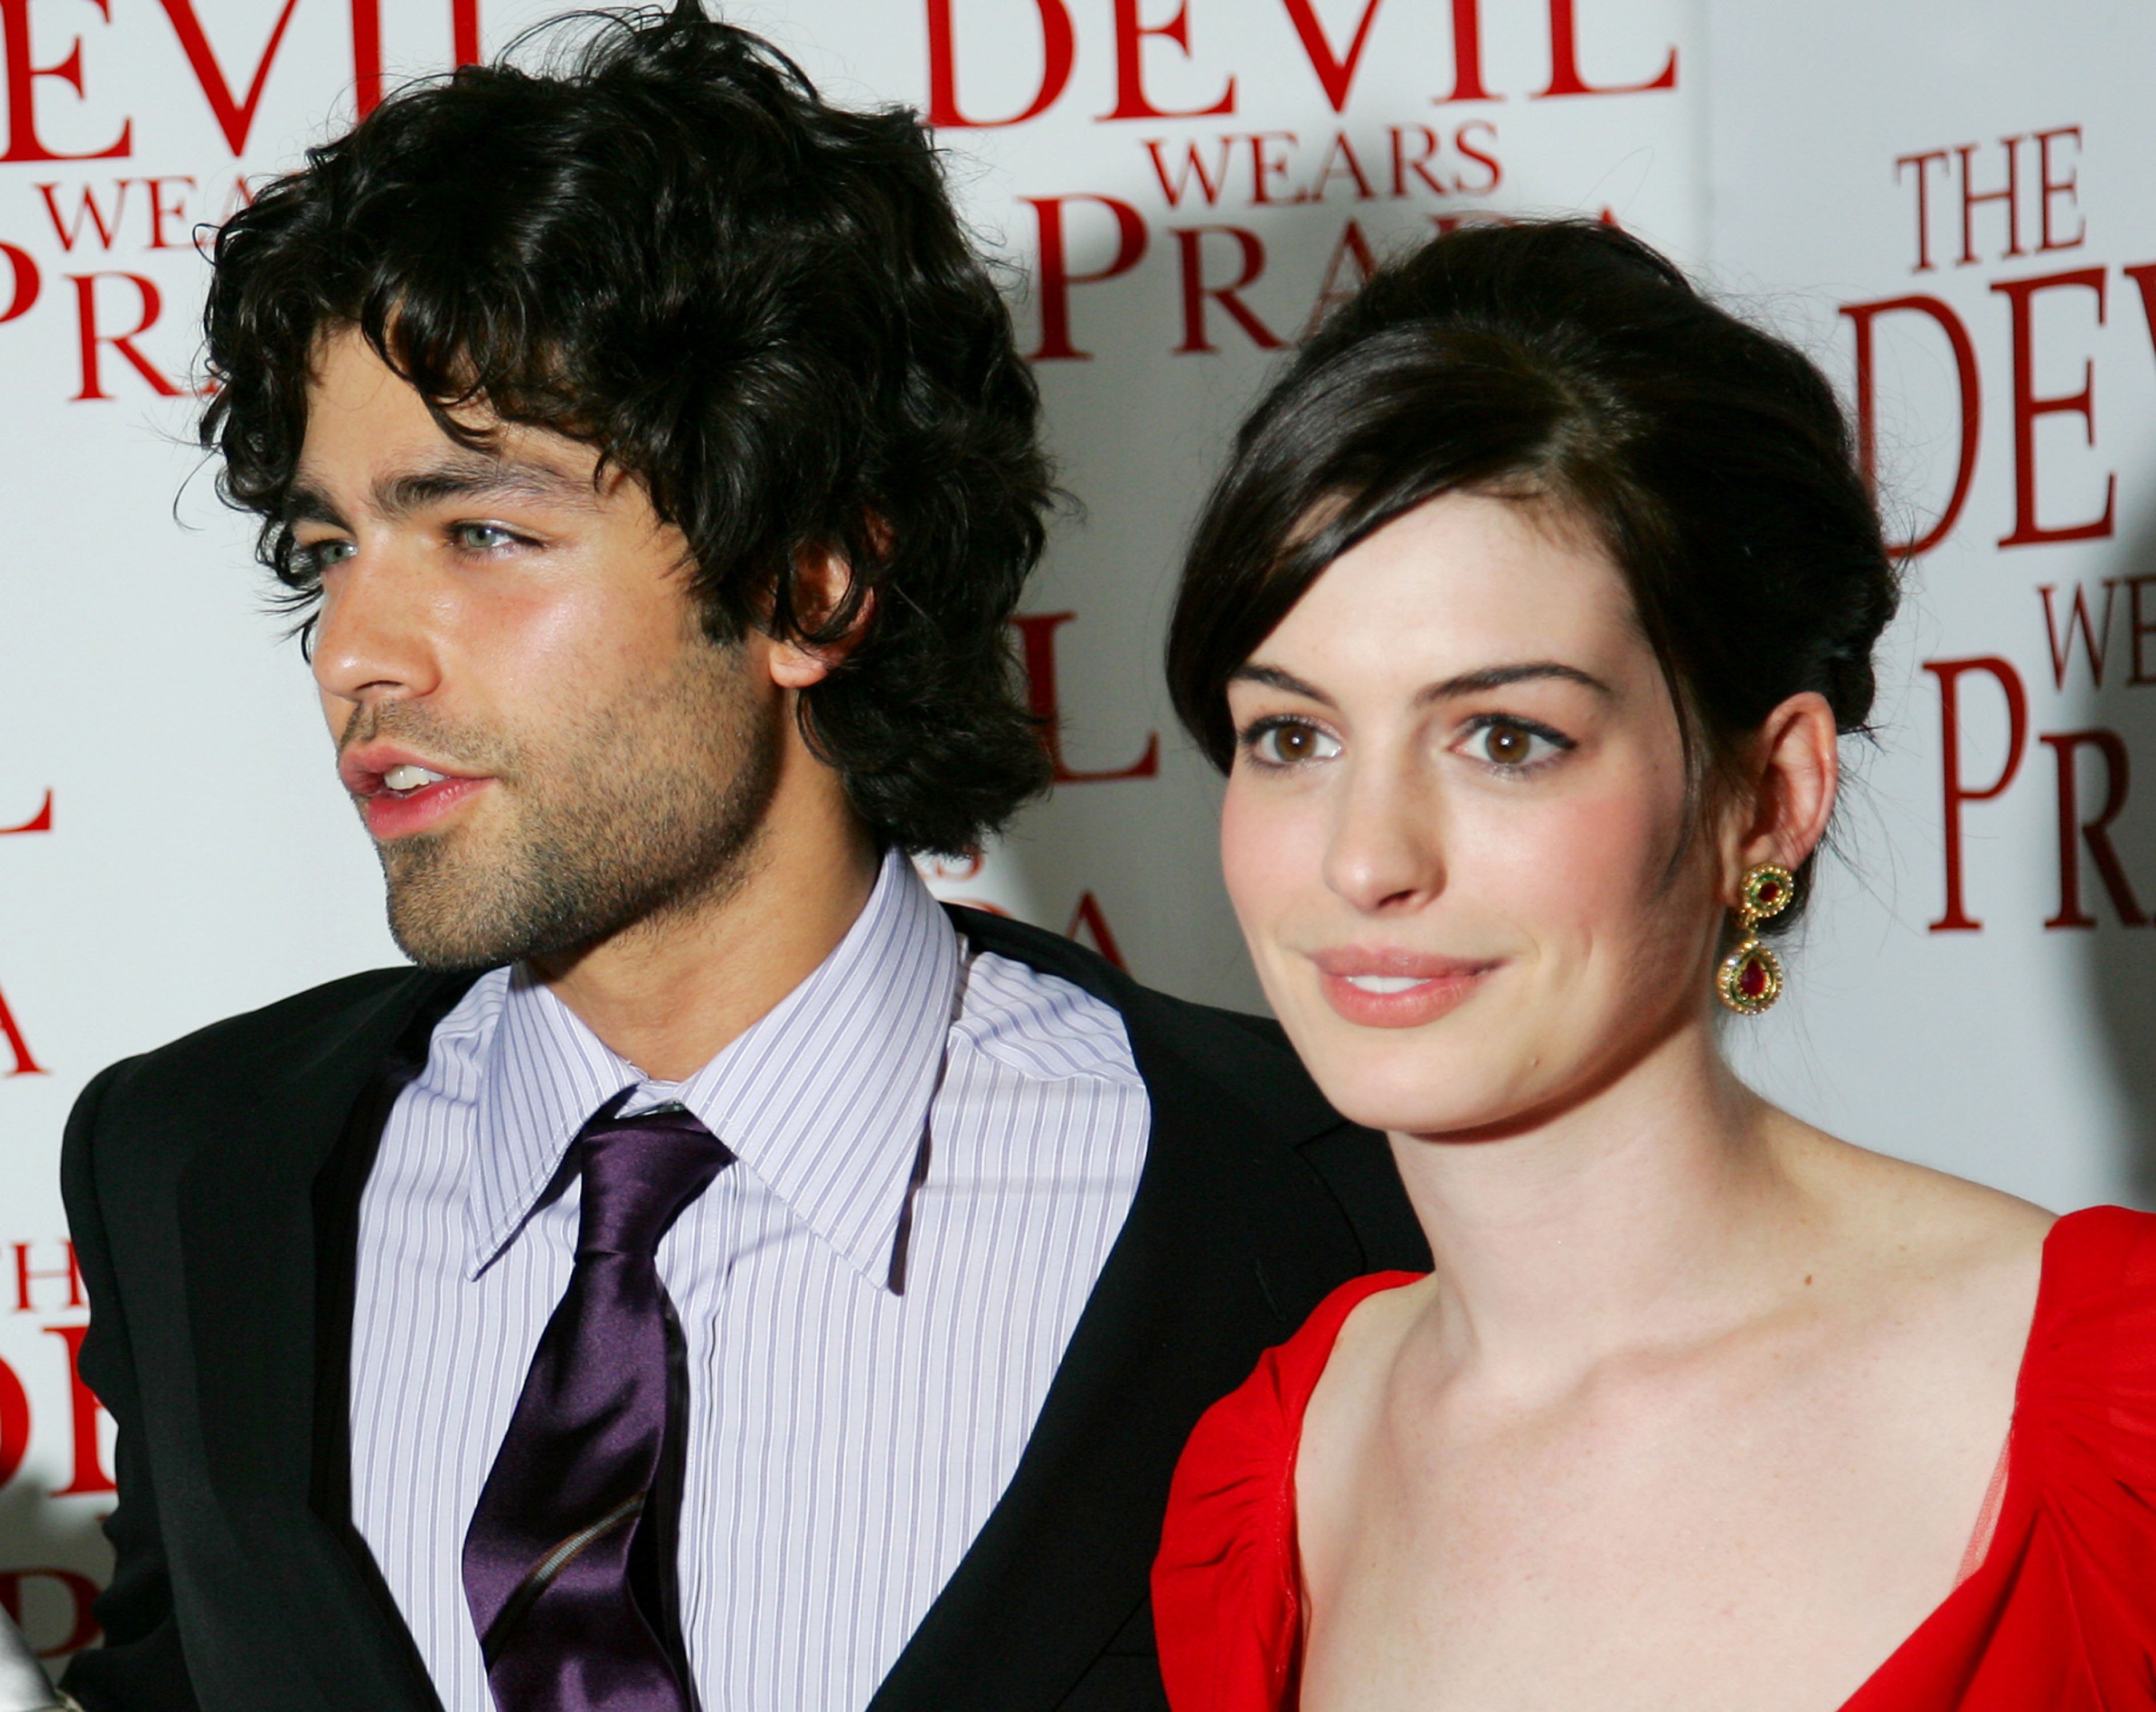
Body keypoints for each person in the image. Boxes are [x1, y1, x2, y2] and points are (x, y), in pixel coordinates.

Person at [54, 10, 1428, 1710]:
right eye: (329, 547)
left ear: (809, 589)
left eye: (483, 530)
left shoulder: (1323, 1201)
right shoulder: (192, 1170)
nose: (357, 650)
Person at [1151, 219, 2156, 1710]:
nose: (1364, 860)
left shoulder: (2115, 1419)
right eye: (1291, 736)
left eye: (1505, 738)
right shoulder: (1265, 1480)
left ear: (1771, 793)